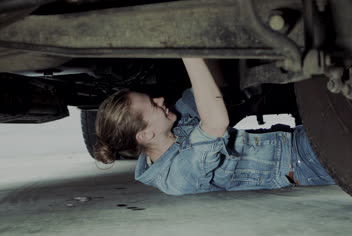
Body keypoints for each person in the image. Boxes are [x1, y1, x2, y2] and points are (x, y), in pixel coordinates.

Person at [94, 58, 335, 195]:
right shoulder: (175, 177)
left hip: (298, 138)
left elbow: (213, 87)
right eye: (152, 105)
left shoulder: (172, 130)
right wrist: (190, 53)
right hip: (303, 163)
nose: (160, 100)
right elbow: (216, 124)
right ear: (145, 134)